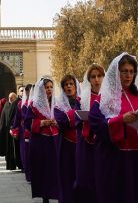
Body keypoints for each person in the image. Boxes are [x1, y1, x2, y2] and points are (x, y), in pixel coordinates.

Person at [89, 53, 138, 202]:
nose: (128, 75)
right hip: (118, 161)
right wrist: (121, 120)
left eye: (131, 71)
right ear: (117, 72)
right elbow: (95, 123)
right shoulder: (105, 98)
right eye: (124, 71)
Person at [74, 63, 105, 203]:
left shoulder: (109, 96)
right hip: (86, 141)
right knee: (87, 175)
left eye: (99, 76)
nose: (96, 79)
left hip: (104, 141)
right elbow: (77, 119)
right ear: (89, 79)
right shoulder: (81, 99)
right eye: (93, 77)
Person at [25, 78, 59, 203]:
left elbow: (62, 118)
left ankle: (57, 194)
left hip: (54, 141)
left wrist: (57, 122)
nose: (49, 89)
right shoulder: (34, 105)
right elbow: (28, 123)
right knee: (43, 170)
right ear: (41, 89)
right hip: (40, 142)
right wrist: (42, 122)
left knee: (54, 170)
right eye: (46, 87)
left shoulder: (58, 102)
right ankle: (45, 197)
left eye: (51, 87)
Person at [54, 75, 79, 203]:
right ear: (63, 88)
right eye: (66, 84)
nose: (69, 86)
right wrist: (77, 114)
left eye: (71, 84)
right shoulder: (58, 104)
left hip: (82, 146)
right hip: (66, 147)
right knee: (67, 178)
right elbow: (61, 121)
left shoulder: (84, 101)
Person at [0, 92, 21, 170]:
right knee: (9, 149)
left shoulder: (17, 104)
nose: (10, 99)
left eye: (12, 97)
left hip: (15, 130)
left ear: (15, 97)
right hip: (7, 131)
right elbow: (3, 118)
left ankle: (19, 164)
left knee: (16, 149)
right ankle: (10, 165)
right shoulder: (6, 105)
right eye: (9, 97)